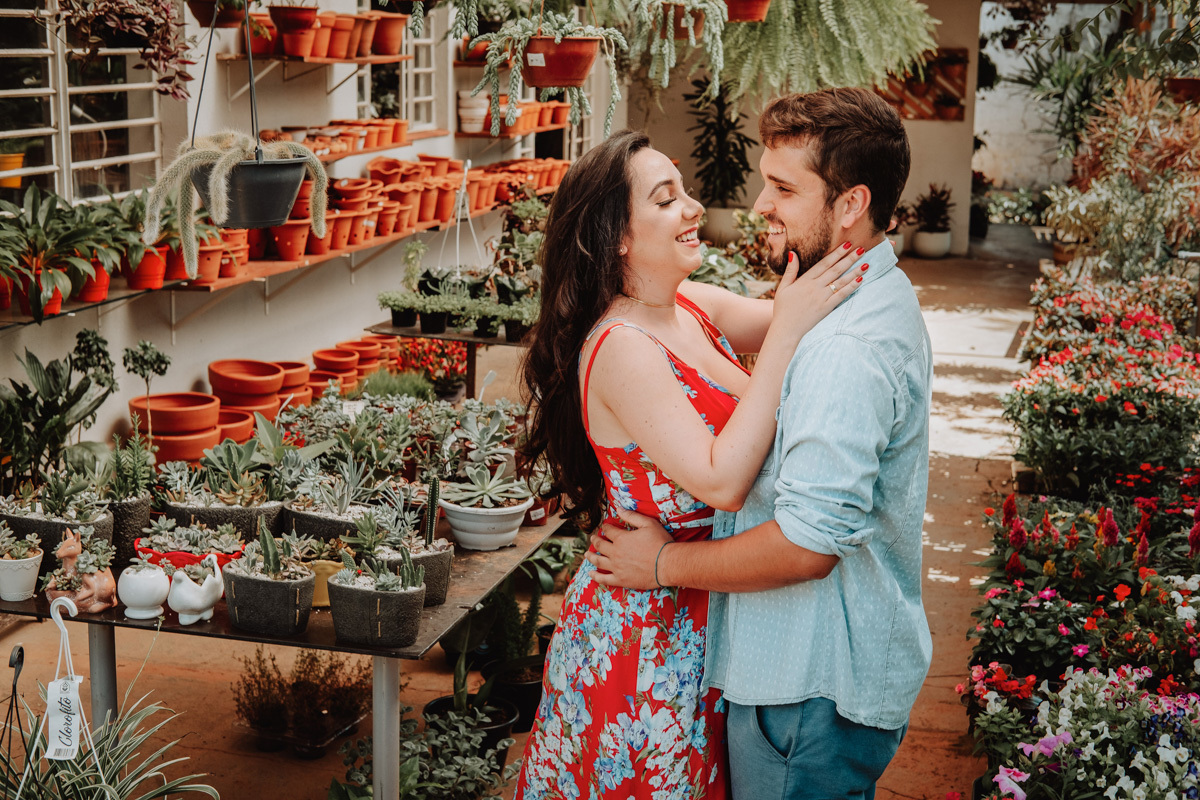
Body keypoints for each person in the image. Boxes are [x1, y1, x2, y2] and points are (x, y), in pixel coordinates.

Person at [588, 87, 933, 800]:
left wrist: (662, 562)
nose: (757, 206)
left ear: (849, 205)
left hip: (806, 685)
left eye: (781, 187)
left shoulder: (844, 344)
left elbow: (807, 546)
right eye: (665, 198)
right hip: (735, 660)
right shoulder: (846, 297)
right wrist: (784, 318)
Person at [513, 129, 868, 800]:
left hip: (700, 611)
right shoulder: (621, 345)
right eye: (667, 198)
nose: (694, 207)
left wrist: (840, 214)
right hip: (642, 635)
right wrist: (787, 329)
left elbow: (807, 310)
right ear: (618, 235)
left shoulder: (690, 307)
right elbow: (721, 480)